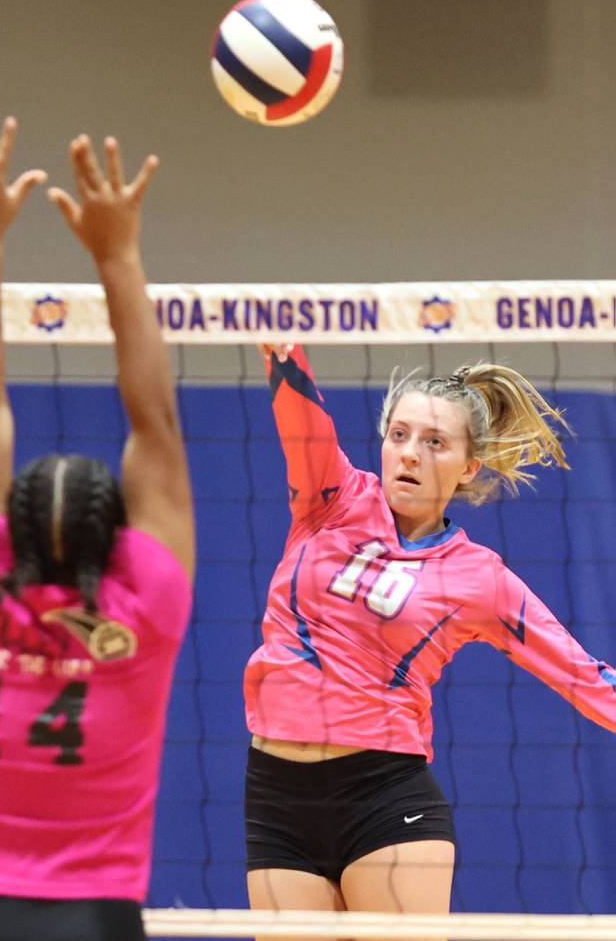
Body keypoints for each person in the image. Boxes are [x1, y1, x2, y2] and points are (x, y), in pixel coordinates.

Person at [0, 112, 194, 941]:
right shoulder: (144, 612)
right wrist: (118, 254)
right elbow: (159, 429)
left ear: (6, 529)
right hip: (89, 916)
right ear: (119, 543)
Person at [244, 343, 616, 940]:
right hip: (275, 791)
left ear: (469, 466)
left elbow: (583, 675)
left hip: (384, 797)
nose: (409, 455)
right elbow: (300, 415)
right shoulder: (332, 497)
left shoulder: (478, 577)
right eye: (398, 435)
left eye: (434, 443)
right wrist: (279, 343)